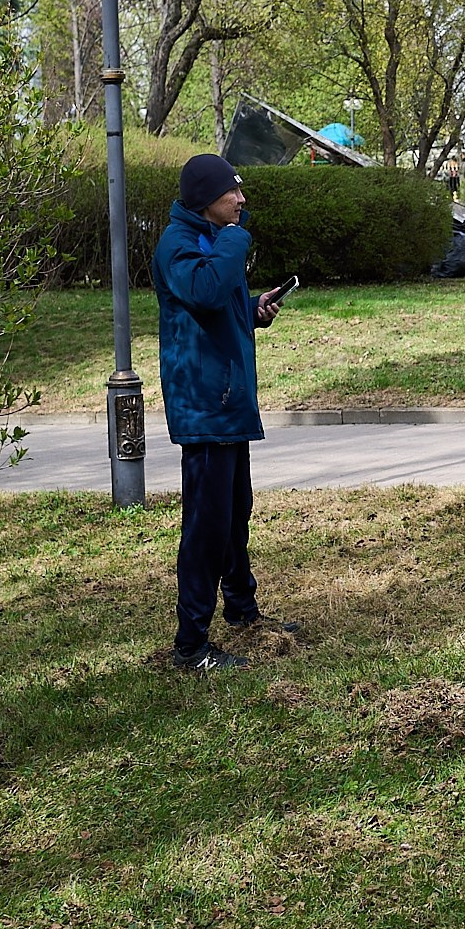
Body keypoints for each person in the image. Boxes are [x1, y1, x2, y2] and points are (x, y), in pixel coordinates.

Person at [154, 153, 290, 671]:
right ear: (205, 200)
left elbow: (219, 305)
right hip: (204, 406)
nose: (241, 199)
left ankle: (241, 609)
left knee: (235, 515)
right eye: (232, 192)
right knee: (206, 526)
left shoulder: (214, 240)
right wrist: (236, 239)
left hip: (228, 402)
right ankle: (191, 644)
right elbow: (206, 292)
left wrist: (253, 309)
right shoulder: (179, 245)